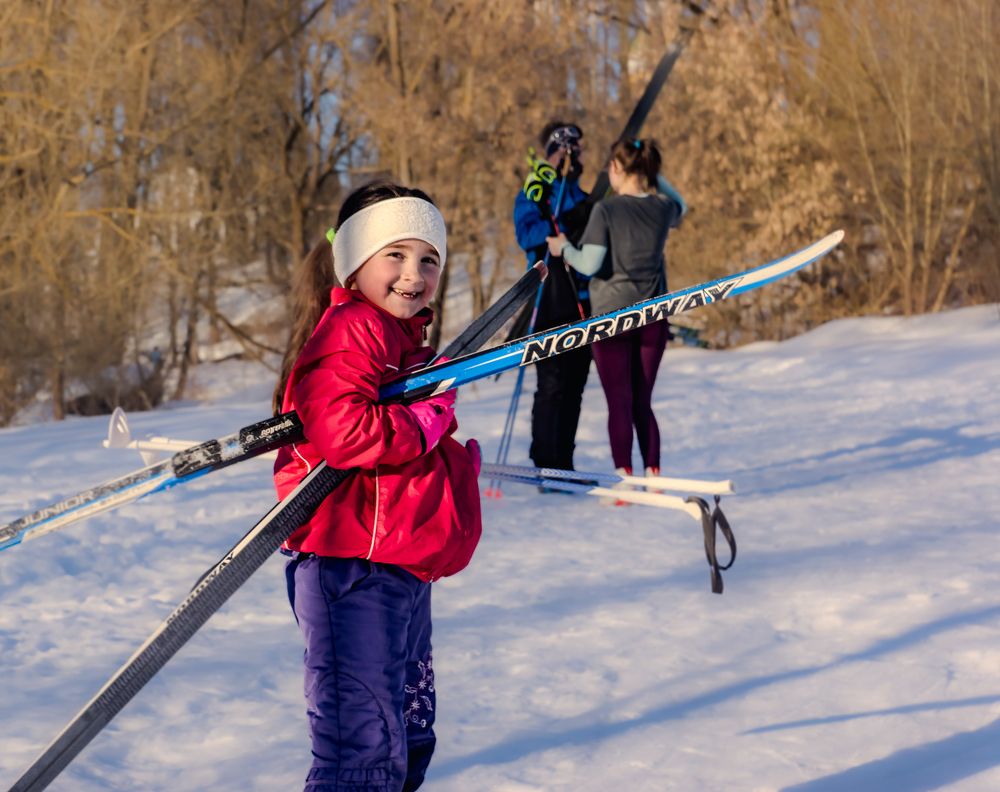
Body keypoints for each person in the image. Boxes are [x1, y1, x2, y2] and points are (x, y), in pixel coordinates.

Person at [271, 181, 483, 791]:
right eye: (396, 254)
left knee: (406, 734)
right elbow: (343, 431)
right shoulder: (353, 328)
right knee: (361, 748)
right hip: (350, 570)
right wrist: (425, 420)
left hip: (396, 565)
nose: (413, 274)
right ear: (355, 261)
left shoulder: (400, 340)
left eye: (429, 259)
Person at [546, 137, 687, 486]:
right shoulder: (661, 208)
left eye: (611, 165)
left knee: (619, 401)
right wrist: (652, 175)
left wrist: (564, 248)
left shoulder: (606, 210)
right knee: (643, 399)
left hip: (612, 318)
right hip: (654, 315)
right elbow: (680, 204)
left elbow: (590, 264)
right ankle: (653, 471)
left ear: (619, 168)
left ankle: (624, 476)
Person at [512, 120, 593, 471]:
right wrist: (557, 222)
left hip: (581, 298)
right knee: (552, 384)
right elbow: (527, 234)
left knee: (575, 383)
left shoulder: (583, 195)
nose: (573, 155)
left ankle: (565, 460)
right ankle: (545, 460)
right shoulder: (535, 193)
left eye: (578, 149)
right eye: (567, 148)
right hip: (548, 299)